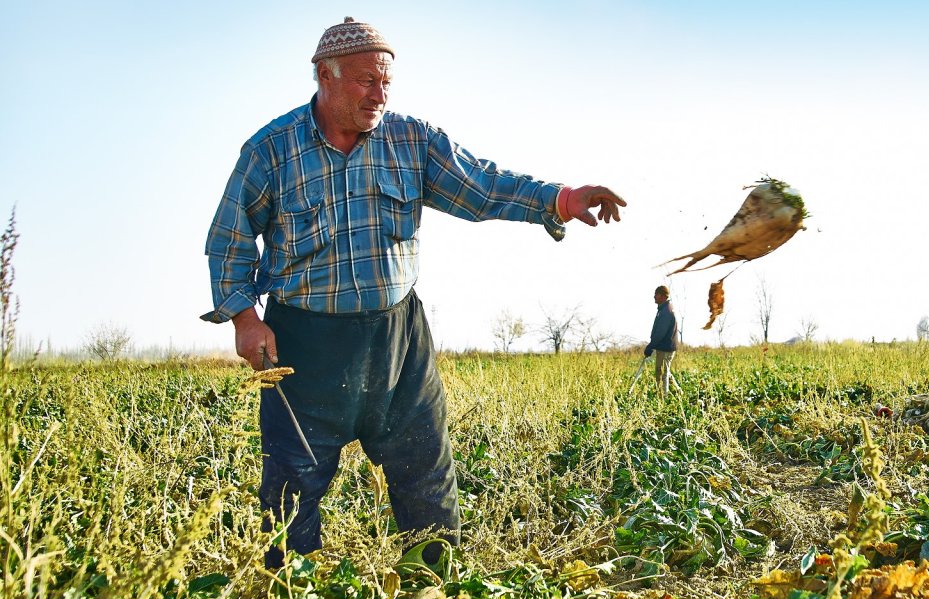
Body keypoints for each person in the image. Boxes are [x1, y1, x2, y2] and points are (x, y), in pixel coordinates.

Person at [201, 17, 626, 568]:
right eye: (364, 82)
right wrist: (244, 318)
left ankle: (431, 597)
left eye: (386, 83)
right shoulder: (271, 151)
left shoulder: (412, 141)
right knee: (291, 488)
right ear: (324, 78)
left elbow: (482, 186)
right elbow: (229, 238)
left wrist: (562, 199)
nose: (379, 95)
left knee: (426, 473)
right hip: (304, 347)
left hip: (398, 342)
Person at [644, 286, 678, 395]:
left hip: (665, 348)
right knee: (665, 372)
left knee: (662, 373)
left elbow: (660, 332)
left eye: (656, 294)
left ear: (663, 296)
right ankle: (678, 392)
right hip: (664, 347)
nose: (654, 296)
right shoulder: (664, 309)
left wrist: (651, 346)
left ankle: (663, 397)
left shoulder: (666, 311)